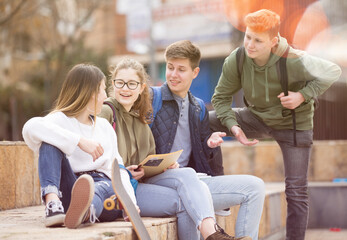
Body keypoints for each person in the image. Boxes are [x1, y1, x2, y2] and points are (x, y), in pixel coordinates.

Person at [210, 9, 342, 240]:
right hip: (256, 118)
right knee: (205, 119)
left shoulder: (294, 59)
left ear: (272, 42)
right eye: (248, 36)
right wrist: (233, 125)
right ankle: (212, 185)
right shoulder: (238, 58)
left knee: (296, 191)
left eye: (257, 40)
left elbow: (333, 70)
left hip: (294, 124)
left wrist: (302, 95)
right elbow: (220, 98)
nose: (250, 44)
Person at [99, 58, 250, 240]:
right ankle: (213, 235)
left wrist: (163, 165)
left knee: (187, 175)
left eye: (132, 84)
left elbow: (147, 160)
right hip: (119, 188)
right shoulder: (106, 111)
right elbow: (95, 155)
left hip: (139, 183)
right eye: (120, 83)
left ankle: (212, 234)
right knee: (185, 202)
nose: (125, 88)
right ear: (112, 84)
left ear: (141, 88)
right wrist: (124, 171)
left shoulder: (141, 119)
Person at [149, 40, 266, 240]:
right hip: (158, 182)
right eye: (170, 68)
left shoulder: (198, 107)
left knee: (255, 187)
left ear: (195, 72)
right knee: (187, 184)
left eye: (181, 69)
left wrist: (209, 144)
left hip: (194, 182)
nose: (173, 74)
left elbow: (200, 157)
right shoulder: (151, 97)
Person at [22, 63, 137, 229]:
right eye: (103, 89)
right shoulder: (59, 120)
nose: (106, 95)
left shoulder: (104, 126)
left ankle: (86, 211)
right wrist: (79, 141)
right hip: (71, 187)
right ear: (90, 93)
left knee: (100, 187)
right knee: (49, 142)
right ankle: (53, 205)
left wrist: (130, 203)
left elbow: (118, 169)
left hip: (105, 191)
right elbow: (30, 127)